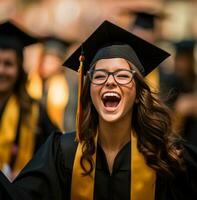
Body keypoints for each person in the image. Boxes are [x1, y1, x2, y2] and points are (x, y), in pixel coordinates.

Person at [0, 20, 197, 199]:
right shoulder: (62, 153)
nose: (110, 82)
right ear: (89, 91)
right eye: (100, 76)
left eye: (122, 75)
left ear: (138, 94)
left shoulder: (169, 158)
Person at [0, 21, 58, 180]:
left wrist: (29, 175)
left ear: (19, 69)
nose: (1, 70)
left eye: (8, 64)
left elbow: (54, 154)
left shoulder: (34, 111)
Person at [28, 36, 78, 132]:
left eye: (51, 61)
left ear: (60, 63)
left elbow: (71, 117)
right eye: (44, 60)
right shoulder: (32, 82)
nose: (46, 64)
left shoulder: (69, 86)